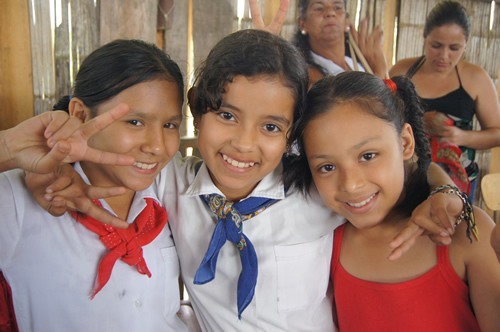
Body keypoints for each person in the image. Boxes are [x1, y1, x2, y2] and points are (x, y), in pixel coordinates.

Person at [32, 29, 464, 331]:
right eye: (226, 115)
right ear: (196, 106)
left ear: (292, 133)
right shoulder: (169, 185)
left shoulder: (316, 192)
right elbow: (109, 155)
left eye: (271, 128)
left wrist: (443, 188)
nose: (243, 144)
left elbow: (387, 171)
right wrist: (60, 165)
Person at [285, 71, 500, 331]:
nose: (351, 184)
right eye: (327, 167)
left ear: (405, 143)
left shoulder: (467, 234)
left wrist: (444, 188)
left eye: (368, 156)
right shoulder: (324, 241)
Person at [0, 39, 190, 331]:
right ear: (79, 114)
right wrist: (6, 148)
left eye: (170, 125)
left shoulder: (167, 185)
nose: (156, 146)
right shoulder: (17, 200)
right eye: (135, 122)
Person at [390, 1, 500, 200]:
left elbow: (497, 133)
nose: (444, 56)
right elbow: (382, 121)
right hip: (406, 175)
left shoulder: (476, 79)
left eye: (454, 48)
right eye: (436, 46)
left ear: (466, 44)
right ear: (425, 38)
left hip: (456, 180)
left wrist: (460, 137)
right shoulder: (402, 71)